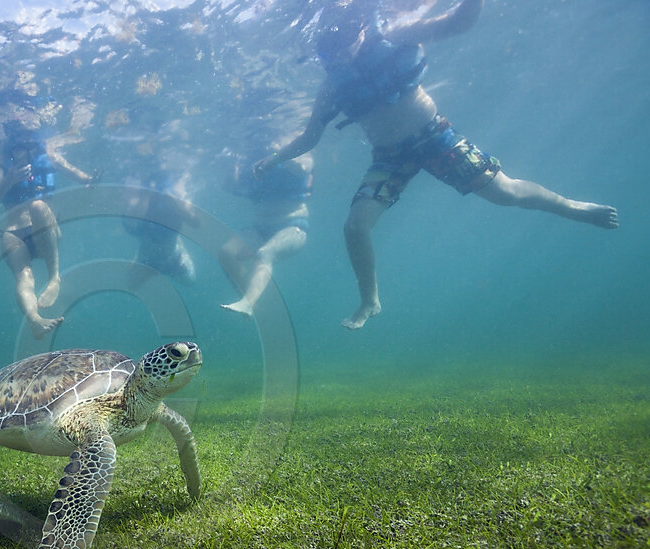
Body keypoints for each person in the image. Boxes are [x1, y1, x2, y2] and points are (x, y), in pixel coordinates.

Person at [254, 0, 618, 330]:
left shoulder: (394, 34)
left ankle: (573, 208)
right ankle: (370, 301)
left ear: (360, 27)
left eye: (345, 42)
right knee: (354, 227)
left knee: (504, 192)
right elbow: (309, 137)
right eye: (330, 52)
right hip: (389, 158)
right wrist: (273, 160)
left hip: (435, 136)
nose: (341, 56)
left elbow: (458, 23)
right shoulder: (331, 85)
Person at [0, 121, 94, 339]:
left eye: (29, 143)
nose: (25, 149)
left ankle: (54, 277)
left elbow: (81, 177)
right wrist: (10, 179)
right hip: (15, 231)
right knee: (23, 277)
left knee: (37, 206)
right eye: (19, 144)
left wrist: (91, 180)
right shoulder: (1, 161)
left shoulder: (50, 155)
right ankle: (35, 321)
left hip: (45, 230)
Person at [221, 152, 314, 316]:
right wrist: (232, 166)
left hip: (293, 225)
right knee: (226, 252)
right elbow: (230, 187)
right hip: (260, 228)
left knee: (266, 253)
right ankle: (250, 299)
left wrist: (279, 153)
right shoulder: (255, 158)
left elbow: (303, 167)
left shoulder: (301, 152)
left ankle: (247, 303)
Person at [121, 170, 198, 288]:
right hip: (146, 255)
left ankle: (174, 251)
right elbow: (130, 226)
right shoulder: (137, 196)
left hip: (173, 257)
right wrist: (145, 195)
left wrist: (172, 195)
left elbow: (195, 223)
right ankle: (157, 262)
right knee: (129, 285)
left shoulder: (177, 191)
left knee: (191, 282)